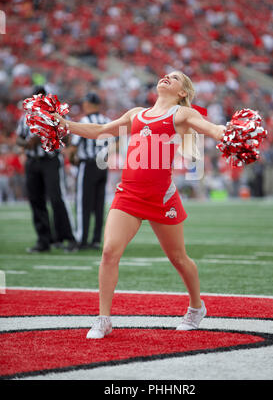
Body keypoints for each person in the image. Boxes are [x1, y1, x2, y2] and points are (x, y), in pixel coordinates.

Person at [54, 71, 226, 338]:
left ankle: (196, 307)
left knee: (178, 258)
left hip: (161, 197)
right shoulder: (136, 113)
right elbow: (100, 131)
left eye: (176, 78)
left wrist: (230, 133)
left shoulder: (181, 115)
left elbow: (213, 129)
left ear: (183, 93)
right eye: (166, 75)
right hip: (129, 195)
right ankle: (103, 319)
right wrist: (63, 123)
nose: (167, 77)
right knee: (110, 251)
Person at [16, 86, 77, 253]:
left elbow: (69, 132)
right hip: (32, 161)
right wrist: (27, 144)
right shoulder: (26, 117)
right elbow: (19, 139)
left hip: (50, 160)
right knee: (36, 200)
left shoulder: (56, 114)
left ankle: (68, 237)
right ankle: (44, 240)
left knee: (57, 199)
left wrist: (48, 135)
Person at [68, 92, 111, 250]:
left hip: (87, 165)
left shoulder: (85, 121)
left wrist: (73, 159)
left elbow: (74, 147)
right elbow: (118, 141)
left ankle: (81, 239)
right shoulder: (106, 121)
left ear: (87, 104)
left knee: (83, 204)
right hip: (102, 165)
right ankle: (96, 240)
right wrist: (107, 153)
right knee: (99, 204)